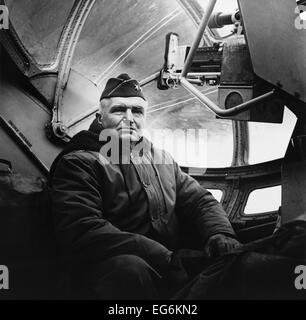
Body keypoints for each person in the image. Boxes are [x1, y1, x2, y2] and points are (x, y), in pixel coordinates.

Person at [50, 73, 240, 299]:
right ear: (100, 117)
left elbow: (199, 200)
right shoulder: (80, 162)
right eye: (119, 110)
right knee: (129, 270)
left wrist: (218, 233)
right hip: (112, 270)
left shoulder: (161, 159)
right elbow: (82, 228)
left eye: (137, 111)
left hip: (169, 263)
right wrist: (163, 257)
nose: (129, 118)